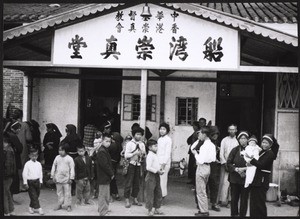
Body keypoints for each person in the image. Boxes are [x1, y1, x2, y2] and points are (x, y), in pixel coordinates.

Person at [245, 134, 277, 217]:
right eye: (263, 142)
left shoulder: (270, 154)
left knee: (260, 204)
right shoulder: (263, 152)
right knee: (253, 203)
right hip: (256, 180)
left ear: (270, 144)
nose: (264, 144)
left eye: (266, 143)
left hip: (262, 181)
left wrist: (251, 159)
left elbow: (261, 165)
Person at [191, 127, 216, 217]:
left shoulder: (204, 146)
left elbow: (199, 158)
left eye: (200, 133)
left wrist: (195, 154)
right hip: (208, 167)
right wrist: (199, 140)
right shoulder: (211, 145)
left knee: (200, 191)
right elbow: (213, 158)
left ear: (204, 134)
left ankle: (204, 211)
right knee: (203, 189)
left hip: (201, 167)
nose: (198, 135)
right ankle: (203, 209)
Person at [226, 131, 250, 217]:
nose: (242, 140)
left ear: (247, 140)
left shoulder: (251, 150)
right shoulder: (235, 150)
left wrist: (245, 171)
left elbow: (254, 164)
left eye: (244, 138)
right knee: (234, 199)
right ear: (238, 140)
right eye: (241, 138)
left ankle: (242, 215)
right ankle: (234, 214)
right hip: (234, 179)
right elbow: (228, 163)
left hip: (245, 179)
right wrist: (236, 169)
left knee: (244, 199)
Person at [124, 126, 146, 208]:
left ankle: (135, 198)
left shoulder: (142, 144)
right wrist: (134, 154)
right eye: (137, 134)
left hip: (138, 165)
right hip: (131, 164)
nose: (139, 136)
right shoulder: (129, 144)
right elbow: (126, 155)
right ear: (134, 135)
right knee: (129, 182)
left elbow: (144, 155)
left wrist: (143, 154)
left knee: (137, 182)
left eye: (140, 134)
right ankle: (126, 199)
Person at [101, 121, 123, 201]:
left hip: (110, 163)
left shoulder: (113, 145)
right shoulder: (119, 145)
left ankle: (110, 195)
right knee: (113, 179)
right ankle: (116, 194)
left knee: (110, 179)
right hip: (115, 163)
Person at [218, 124, 239, 207]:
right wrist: (224, 163)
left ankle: (231, 201)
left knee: (233, 184)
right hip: (225, 164)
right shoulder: (224, 140)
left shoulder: (238, 141)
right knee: (224, 182)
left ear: (236, 130)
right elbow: (221, 153)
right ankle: (222, 200)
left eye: (233, 129)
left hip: (234, 165)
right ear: (228, 130)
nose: (231, 131)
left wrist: (234, 165)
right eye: (230, 129)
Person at [51, 144, 75, 212]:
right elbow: (54, 166)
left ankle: (68, 205)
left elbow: (72, 168)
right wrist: (53, 176)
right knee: (59, 192)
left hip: (66, 179)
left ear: (66, 150)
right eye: (59, 150)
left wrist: (71, 178)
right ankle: (60, 204)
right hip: (58, 178)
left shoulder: (69, 159)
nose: (60, 152)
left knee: (67, 193)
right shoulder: (57, 158)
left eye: (62, 150)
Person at [3, 119, 23, 201]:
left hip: (7, 160)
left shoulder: (7, 134)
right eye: (18, 128)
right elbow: (20, 148)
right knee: (13, 179)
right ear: (14, 128)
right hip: (13, 160)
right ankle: (10, 198)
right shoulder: (13, 136)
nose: (19, 130)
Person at [96, 133, 114, 216]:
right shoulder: (102, 151)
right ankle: (103, 211)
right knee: (104, 195)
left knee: (105, 194)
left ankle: (103, 208)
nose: (108, 143)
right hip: (104, 176)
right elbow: (105, 165)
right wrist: (111, 173)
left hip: (104, 176)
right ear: (102, 141)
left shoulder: (104, 149)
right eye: (106, 141)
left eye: (109, 141)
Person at [61, 124, 82, 196]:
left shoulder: (68, 137)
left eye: (67, 130)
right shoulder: (78, 137)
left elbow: (61, 144)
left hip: (69, 156)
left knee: (68, 172)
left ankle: (68, 188)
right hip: (76, 156)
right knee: (74, 172)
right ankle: (73, 189)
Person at [145, 139, 164, 216]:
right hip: (151, 175)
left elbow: (156, 165)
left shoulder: (155, 154)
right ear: (149, 147)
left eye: (157, 146)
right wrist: (157, 171)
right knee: (150, 193)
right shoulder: (149, 155)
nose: (157, 147)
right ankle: (149, 209)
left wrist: (160, 168)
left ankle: (156, 208)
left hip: (156, 175)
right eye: (155, 146)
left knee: (158, 192)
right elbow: (148, 167)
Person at [22, 148, 44, 215]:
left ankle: (31, 207)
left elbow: (40, 173)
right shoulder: (27, 164)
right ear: (29, 156)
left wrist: (41, 181)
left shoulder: (39, 164)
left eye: (36, 155)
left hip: (37, 181)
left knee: (36, 196)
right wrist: (25, 182)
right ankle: (39, 208)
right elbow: (24, 174)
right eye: (32, 155)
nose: (34, 157)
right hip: (30, 182)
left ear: (37, 156)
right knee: (33, 196)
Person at [157, 122, 172, 202]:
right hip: (158, 162)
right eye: (161, 129)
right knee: (158, 180)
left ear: (167, 131)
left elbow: (167, 153)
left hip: (164, 163)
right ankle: (159, 196)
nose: (162, 131)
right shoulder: (159, 139)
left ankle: (162, 197)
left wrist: (163, 164)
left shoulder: (168, 140)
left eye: (164, 129)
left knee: (163, 180)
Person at [207, 125, 221, 212]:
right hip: (207, 165)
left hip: (215, 167)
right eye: (213, 134)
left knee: (214, 185)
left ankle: (213, 203)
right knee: (204, 185)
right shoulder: (206, 142)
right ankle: (201, 204)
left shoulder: (218, 142)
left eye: (216, 134)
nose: (215, 136)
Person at [3, 133, 17, 216]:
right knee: (7, 192)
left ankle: (6, 211)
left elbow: (8, 165)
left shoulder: (7, 151)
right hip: (9, 175)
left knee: (4, 193)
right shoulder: (9, 149)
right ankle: (11, 210)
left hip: (7, 175)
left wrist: (5, 175)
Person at [187, 121, 200, 186]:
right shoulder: (194, 133)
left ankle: (194, 182)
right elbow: (188, 140)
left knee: (194, 166)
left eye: (194, 126)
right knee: (192, 166)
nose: (193, 127)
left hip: (196, 151)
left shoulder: (198, 132)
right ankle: (192, 180)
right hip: (192, 151)